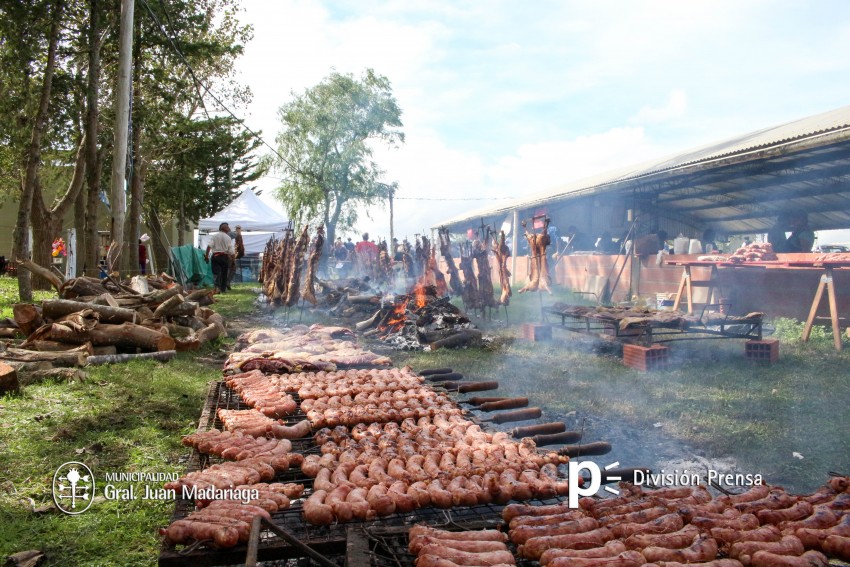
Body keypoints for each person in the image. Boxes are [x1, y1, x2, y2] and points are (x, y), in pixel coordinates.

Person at [205, 222, 235, 293]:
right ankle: (223, 289)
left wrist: (206, 256)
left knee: (216, 272)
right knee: (224, 273)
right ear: (224, 228)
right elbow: (231, 251)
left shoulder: (215, 236)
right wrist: (233, 260)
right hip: (224, 257)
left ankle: (217, 287)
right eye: (227, 227)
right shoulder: (228, 238)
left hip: (215, 256)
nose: (229, 228)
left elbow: (209, 246)